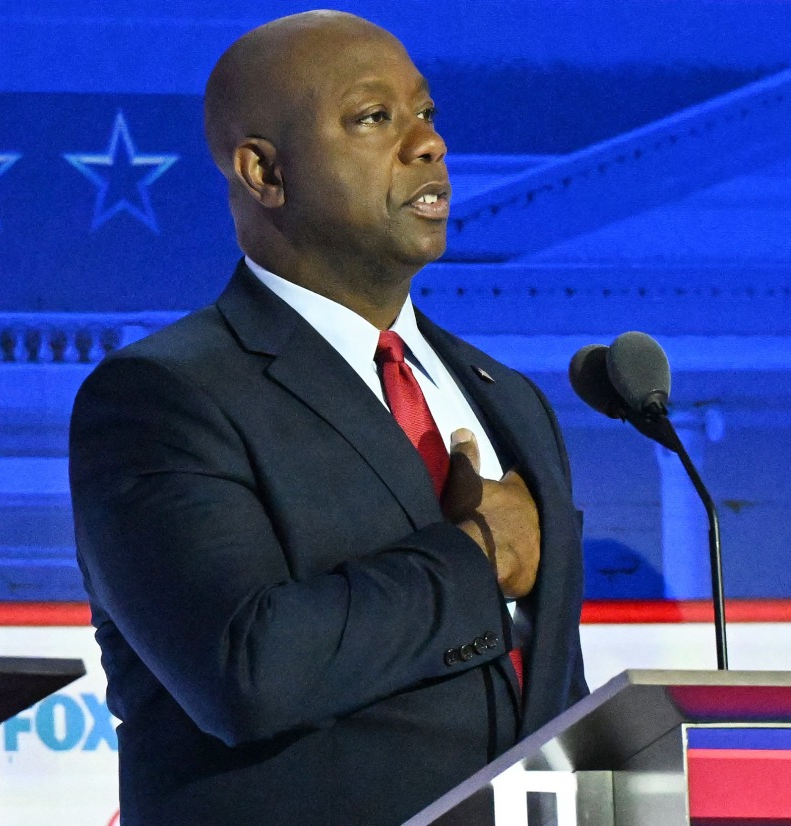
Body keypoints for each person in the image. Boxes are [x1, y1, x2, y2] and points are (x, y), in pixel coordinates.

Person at [70, 10, 588, 825]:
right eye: (374, 118)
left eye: (427, 113)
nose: (428, 145)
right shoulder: (161, 396)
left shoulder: (508, 397)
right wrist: (478, 556)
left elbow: (554, 697)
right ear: (264, 173)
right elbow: (244, 671)